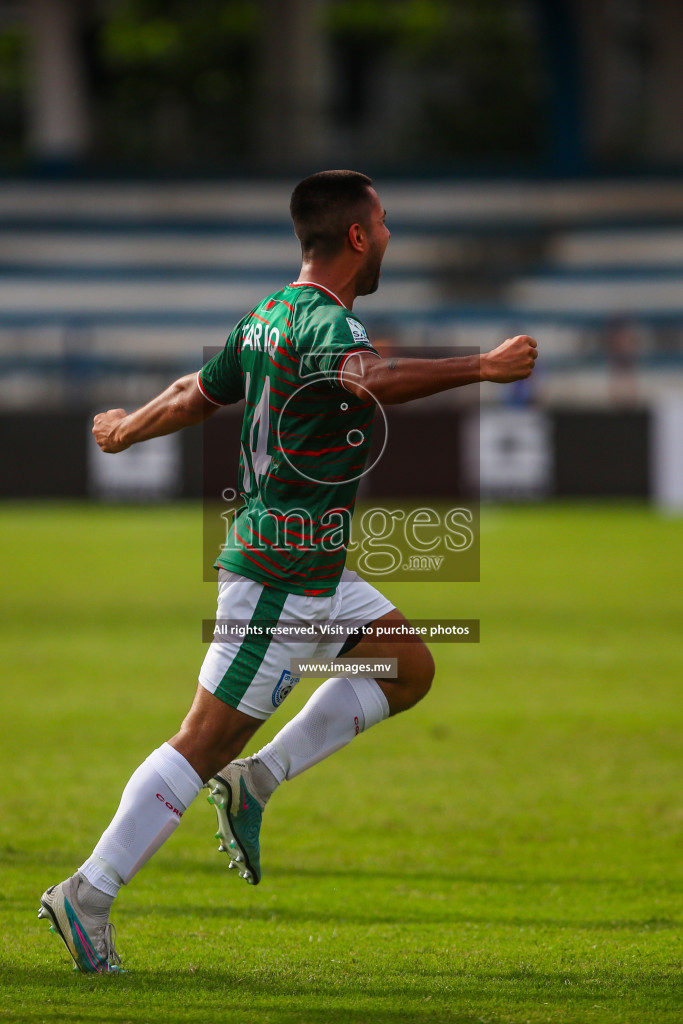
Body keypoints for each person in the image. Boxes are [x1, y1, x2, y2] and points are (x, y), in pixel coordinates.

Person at [38, 170, 538, 973]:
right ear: (354, 238)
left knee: (405, 667)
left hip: (317, 570)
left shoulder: (269, 315)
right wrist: (480, 368)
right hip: (277, 576)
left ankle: (257, 781)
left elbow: (195, 394)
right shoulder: (327, 328)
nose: (386, 238)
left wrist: (127, 428)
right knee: (203, 738)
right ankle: (87, 894)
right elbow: (365, 380)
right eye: (381, 225)